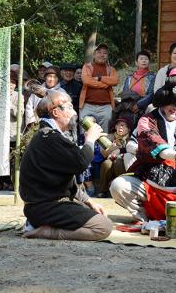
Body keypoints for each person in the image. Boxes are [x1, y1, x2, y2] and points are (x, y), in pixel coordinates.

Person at [19, 90, 113, 241]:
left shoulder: (50, 135)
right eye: (69, 107)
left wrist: (89, 201)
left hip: (42, 206)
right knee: (103, 227)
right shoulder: (49, 137)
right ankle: (48, 232)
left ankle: (39, 224)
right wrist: (90, 140)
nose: (74, 112)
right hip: (44, 207)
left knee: (94, 215)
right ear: (56, 112)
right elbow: (81, 162)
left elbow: (66, 179)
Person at [110, 81, 176, 222]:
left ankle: (160, 216)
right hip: (149, 184)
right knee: (118, 186)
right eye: (171, 104)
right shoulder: (147, 120)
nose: (175, 108)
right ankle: (143, 216)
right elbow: (156, 144)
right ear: (161, 102)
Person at [80, 43, 119, 132]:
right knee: (85, 131)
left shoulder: (111, 69)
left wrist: (99, 78)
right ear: (94, 55)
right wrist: (105, 84)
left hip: (106, 106)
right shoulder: (87, 67)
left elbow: (115, 81)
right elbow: (86, 81)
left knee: (104, 133)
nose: (102, 55)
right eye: (99, 52)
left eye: (105, 53)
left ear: (107, 56)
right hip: (87, 105)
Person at [96, 116, 133, 198]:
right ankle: (103, 191)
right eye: (119, 125)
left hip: (123, 162)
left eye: (123, 125)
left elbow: (133, 151)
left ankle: (123, 190)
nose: (120, 127)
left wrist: (120, 151)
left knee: (118, 162)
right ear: (115, 126)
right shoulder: (109, 137)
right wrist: (112, 148)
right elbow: (103, 154)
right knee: (106, 164)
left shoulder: (130, 139)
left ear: (129, 129)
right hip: (109, 160)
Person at [121, 50, 155, 114]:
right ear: (136, 62)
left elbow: (151, 94)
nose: (144, 61)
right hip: (129, 106)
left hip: (145, 107)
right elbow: (124, 94)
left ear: (149, 62)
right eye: (141, 59)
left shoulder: (153, 77)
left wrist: (139, 105)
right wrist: (130, 106)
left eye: (146, 59)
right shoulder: (129, 78)